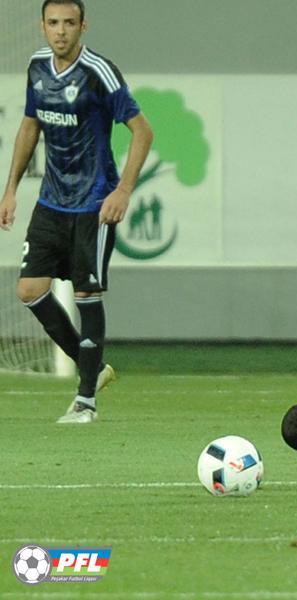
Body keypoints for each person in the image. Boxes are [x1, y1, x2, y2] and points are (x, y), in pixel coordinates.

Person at [0, 0, 153, 423]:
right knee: (29, 290)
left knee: (87, 295)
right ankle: (94, 369)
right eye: (53, 23)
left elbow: (143, 131)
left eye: (69, 23)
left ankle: (86, 402)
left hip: (94, 204)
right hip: (51, 202)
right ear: (42, 26)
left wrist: (123, 190)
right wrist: (10, 190)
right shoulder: (37, 67)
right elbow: (29, 126)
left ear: (83, 26)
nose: (61, 31)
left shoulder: (99, 72)